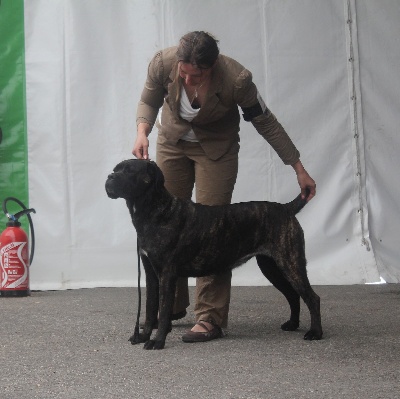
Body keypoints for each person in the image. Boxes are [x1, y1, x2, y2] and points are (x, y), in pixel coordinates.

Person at [132, 31, 316, 343]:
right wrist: (142, 132)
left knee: (213, 231)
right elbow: (148, 100)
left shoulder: (236, 79)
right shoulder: (163, 63)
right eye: (184, 72)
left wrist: (298, 167)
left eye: (197, 74)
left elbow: (266, 122)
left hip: (216, 151)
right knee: (164, 226)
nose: (189, 79)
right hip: (172, 145)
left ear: (212, 66)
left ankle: (209, 317)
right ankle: (172, 306)